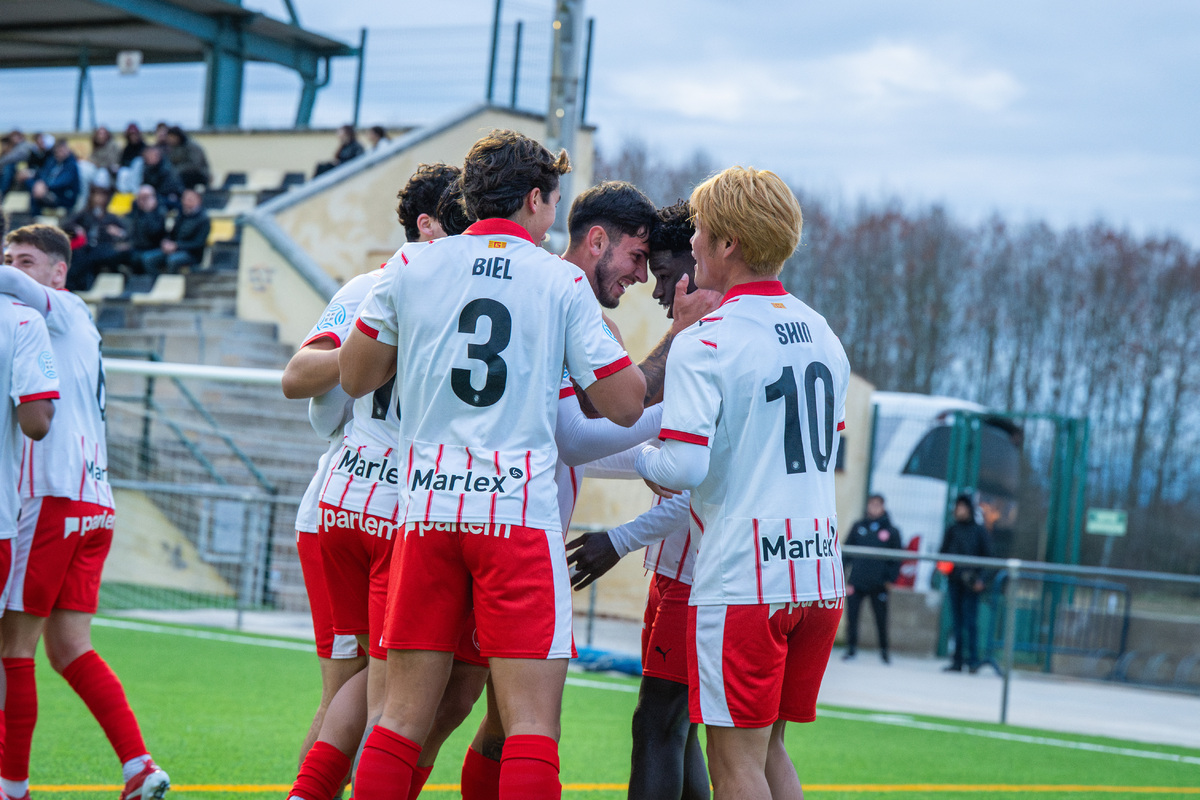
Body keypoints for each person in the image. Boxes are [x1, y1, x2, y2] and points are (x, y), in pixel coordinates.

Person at [341, 129, 645, 799]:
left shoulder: (412, 264)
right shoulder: (558, 279)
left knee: (399, 720)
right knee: (530, 726)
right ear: (534, 199)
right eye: (551, 201)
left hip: (425, 512)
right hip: (515, 516)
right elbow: (624, 405)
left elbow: (355, 375)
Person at [635, 167, 849, 800]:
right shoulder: (823, 334)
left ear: (728, 242)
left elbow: (684, 468)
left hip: (746, 579)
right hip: (818, 573)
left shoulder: (706, 340)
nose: (691, 243)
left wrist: (643, 455)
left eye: (700, 230)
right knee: (770, 751)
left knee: (733, 767)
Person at [282, 164, 478, 800]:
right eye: (462, 219)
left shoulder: (414, 284)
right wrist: (371, 351)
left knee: (363, 693)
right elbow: (299, 377)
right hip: (393, 511)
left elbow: (318, 405)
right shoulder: (387, 284)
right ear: (426, 224)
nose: (473, 233)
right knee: (380, 698)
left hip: (353, 501)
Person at [0, 224, 171, 800]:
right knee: (70, 647)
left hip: (50, 495)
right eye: (7, 258)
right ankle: (139, 767)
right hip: (93, 500)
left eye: (25, 261)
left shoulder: (60, 310)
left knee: (12, 649)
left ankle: (11, 786)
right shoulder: (72, 323)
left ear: (57, 272)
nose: (13, 269)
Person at [564, 200, 720, 800]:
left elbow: (703, 484)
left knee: (659, 724)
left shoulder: (710, 343)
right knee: (681, 732)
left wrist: (621, 537)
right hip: (705, 563)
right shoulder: (770, 330)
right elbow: (657, 457)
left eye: (662, 271)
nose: (655, 291)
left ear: (704, 256)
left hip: (701, 568)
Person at [0, 219, 58, 800]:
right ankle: (12, 786)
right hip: (8, 511)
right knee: (17, 651)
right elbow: (38, 421)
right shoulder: (22, 320)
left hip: (65, 500)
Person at [842, 494, 903, 664]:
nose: (874, 508)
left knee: (881, 619)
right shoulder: (858, 526)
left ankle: (884, 652)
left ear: (883, 507)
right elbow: (847, 552)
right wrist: (842, 576)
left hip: (879, 584)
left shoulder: (892, 531)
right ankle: (851, 649)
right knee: (852, 617)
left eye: (878, 505)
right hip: (857, 581)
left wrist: (890, 579)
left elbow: (897, 558)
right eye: (872, 504)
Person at [939, 494, 992, 673]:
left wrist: (981, 580)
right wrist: (948, 571)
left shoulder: (979, 531)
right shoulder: (952, 530)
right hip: (955, 582)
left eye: (963, 507)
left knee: (970, 623)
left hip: (972, 586)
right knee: (957, 623)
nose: (959, 511)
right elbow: (942, 555)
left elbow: (989, 559)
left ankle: (973, 661)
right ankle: (957, 661)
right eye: (957, 507)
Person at [62, 185, 128, 290]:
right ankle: (74, 286)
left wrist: (117, 232)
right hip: (87, 247)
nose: (98, 199)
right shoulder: (85, 214)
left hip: (104, 247)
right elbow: (66, 224)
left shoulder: (110, 217)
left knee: (88, 259)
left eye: (102, 196)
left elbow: (125, 232)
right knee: (76, 256)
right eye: (96, 195)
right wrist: (77, 228)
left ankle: (83, 286)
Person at [141, 188, 210, 275]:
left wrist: (176, 246)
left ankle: (171, 284)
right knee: (148, 258)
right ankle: (156, 282)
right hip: (174, 249)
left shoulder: (203, 219)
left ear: (198, 200)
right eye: (184, 199)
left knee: (173, 260)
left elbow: (198, 243)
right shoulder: (180, 215)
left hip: (192, 253)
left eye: (190, 199)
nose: (186, 202)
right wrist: (166, 242)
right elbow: (172, 233)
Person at [122, 185, 167, 275]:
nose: (143, 200)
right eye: (141, 197)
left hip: (154, 248)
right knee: (117, 255)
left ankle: (153, 284)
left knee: (144, 258)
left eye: (146, 197)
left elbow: (155, 232)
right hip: (136, 247)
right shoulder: (134, 213)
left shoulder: (160, 212)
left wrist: (148, 211)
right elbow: (129, 231)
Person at [27, 139, 80, 216]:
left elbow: (63, 181)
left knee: (38, 192)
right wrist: (40, 183)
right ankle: (35, 218)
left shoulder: (71, 164)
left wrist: (45, 186)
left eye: (62, 150)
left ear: (68, 150)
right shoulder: (52, 161)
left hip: (64, 195)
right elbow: (43, 174)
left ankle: (36, 216)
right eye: (58, 150)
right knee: (32, 184)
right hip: (48, 191)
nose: (60, 152)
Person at [139, 147, 184, 211]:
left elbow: (169, 189)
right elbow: (145, 184)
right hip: (155, 195)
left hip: (170, 197)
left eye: (152, 155)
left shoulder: (167, 169)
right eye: (148, 156)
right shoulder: (147, 169)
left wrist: (152, 196)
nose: (149, 158)